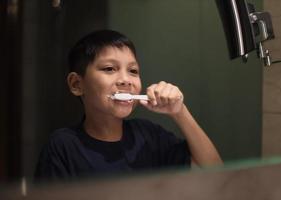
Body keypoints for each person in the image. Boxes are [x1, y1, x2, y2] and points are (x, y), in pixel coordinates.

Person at [34, 29, 222, 182]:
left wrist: (180, 111)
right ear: (77, 84)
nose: (126, 80)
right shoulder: (63, 145)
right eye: (109, 69)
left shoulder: (149, 136)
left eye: (133, 71)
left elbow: (216, 175)